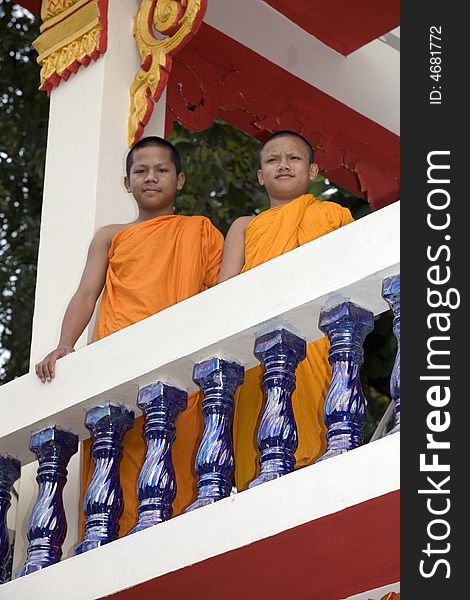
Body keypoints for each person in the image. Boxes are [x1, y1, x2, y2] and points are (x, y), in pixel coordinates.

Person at [35, 136, 224, 534]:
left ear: (180, 179)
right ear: (127, 182)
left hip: (179, 370)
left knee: (178, 460)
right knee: (115, 466)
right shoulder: (111, 235)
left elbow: (222, 296)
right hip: (116, 365)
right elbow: (87, 293)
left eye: (162, 170)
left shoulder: (199, 232)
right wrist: (65, 345)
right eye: (141, 171)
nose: (151, 178)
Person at [218, 130, 354, 491]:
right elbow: (223, 296)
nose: (283, 165)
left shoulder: (333, 214)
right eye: (272, 159)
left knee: (320, 432)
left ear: (313, 171)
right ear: (261, 175)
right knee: (259, 439)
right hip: (259, 352)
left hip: (318, 346)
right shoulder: (245, 227)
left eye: (293, 158)